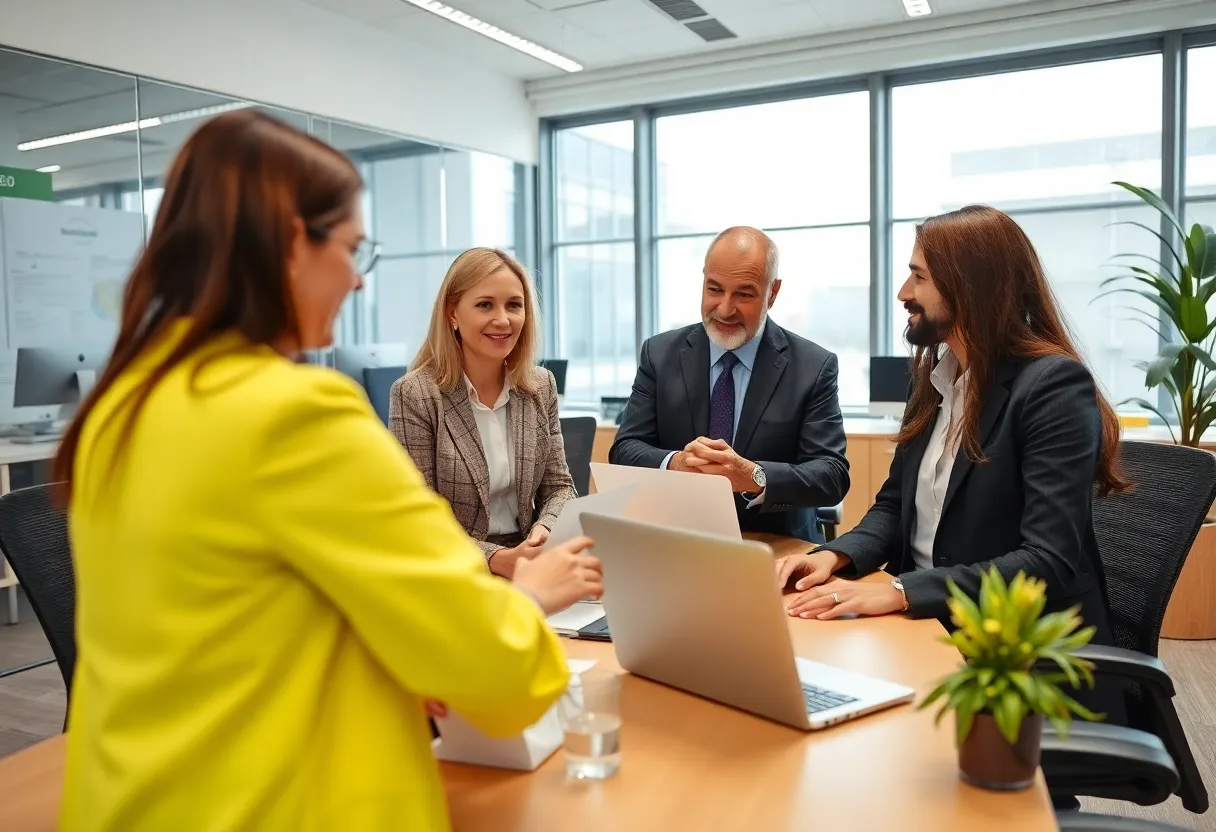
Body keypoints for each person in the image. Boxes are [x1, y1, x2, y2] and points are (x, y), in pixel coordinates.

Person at [54, 110, 602, 832]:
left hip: (131, 797)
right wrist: (526, 599)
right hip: (275, 803)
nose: (357, 281)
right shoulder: (294, 413)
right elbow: (496, 671)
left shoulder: (121, 408)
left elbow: (242, 619)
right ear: (289, 244)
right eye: (352, 249)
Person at [774, 205, 1126, 641]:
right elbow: (894, 506)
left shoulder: (1052, 387)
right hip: (921, 619)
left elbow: (1046, 560)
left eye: (920, 277)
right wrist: (837, 555)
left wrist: (902, 591)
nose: (903, 292)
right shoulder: (933, 380)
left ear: (970, 288)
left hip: (1011, 642)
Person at [609, 226, 849, 542]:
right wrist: (676, 464)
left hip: (778, 549)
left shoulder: (812, 366)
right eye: (714, 289)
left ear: (772, 293)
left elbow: (832, 475)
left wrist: (754, 476)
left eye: (744, 294)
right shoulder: (659, 354)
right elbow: (625, 449)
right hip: (677, 543)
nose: (725, 308)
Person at [391, 248, 576, 579]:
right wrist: (494, 558)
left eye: (514, 305)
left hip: (530, 564)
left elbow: (559, 486)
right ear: (452, 314)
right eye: (484, 305)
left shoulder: (539, 385)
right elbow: (417, 520)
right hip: (453, 571)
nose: (503, 319)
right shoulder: (416, 395)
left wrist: (544, 531)